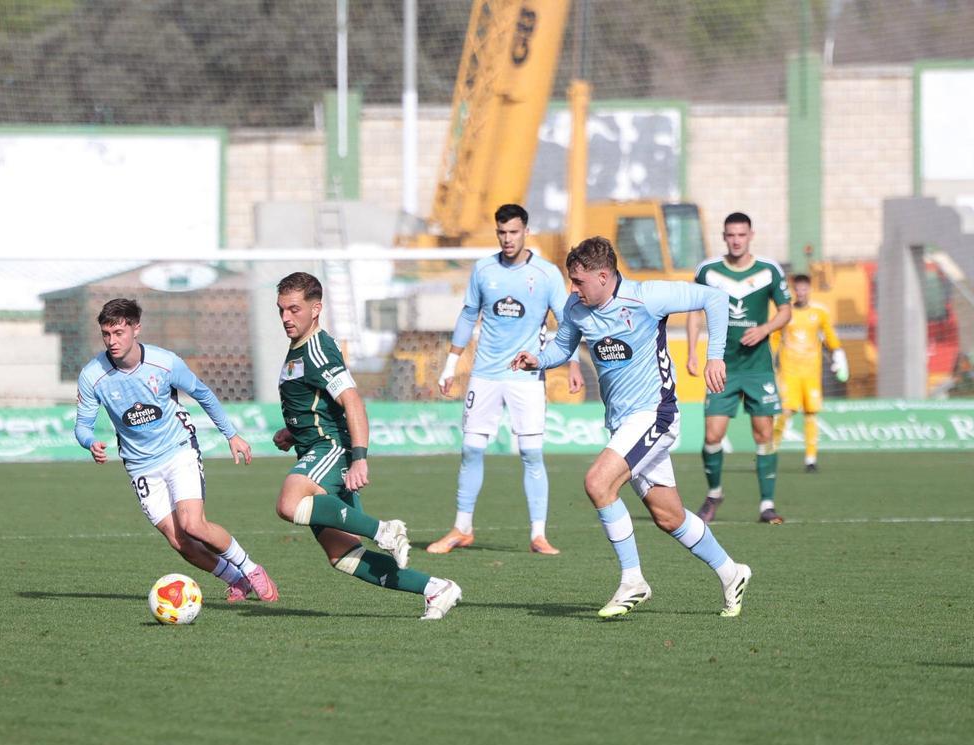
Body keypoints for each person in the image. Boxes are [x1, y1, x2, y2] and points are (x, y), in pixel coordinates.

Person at [511, 236, 751, 618]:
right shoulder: (577, 308)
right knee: (668, 516)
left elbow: (715, 299)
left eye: (579, 282)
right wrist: (537, 360)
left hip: (655, 413)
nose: (573, 290)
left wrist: (714, 357)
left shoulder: (647, 296)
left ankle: (633, 580)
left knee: (597, 483)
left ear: (604, 276)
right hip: (622, 422)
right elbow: (563, 347)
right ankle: (731, 572)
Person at [272, 272, 462, 620]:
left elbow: (353, 402)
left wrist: (359, 459)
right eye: (281, 309)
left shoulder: (318, 349)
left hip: (330, 450)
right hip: (312, 447)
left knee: (288, 503)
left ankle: (384, 530)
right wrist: (292, 430)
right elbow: (317, 402)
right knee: (344, 557)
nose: (286, 317)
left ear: (316, 309)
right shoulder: (299, 347)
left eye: (294, 309)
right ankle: (436, 588)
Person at [75, 298, 278, 603]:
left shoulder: (165, 363)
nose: (112, 341)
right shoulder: (93, 376)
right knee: (180, 542)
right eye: (106, 334)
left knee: (193, 524)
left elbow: (203, 394)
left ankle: (252, 569)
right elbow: (82, 426)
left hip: (178, 449)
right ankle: (235, 579)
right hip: (140, 465)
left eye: (119, 333)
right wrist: (91, 442)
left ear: (136, 329)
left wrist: (231, 435)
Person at [430, 203, 569, 556]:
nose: (507, 239)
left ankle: (539, 535)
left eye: (513, 232)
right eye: (502, 233)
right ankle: (462, 528)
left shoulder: (547, 274)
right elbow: (467, 315)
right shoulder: (483, 270)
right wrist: (450, 366)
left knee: (531, 453)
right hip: (485, 375)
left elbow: (567, 322)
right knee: (471, 449)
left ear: (526, 231)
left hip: (526, 376)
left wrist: (573, 366)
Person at [687, 212, 791, 524]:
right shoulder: (708, 270)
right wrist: (693, 351)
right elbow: (694, 310)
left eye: (741, 235)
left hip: (758, 368)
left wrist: (765, 329)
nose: (736, 240)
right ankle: (714, 493)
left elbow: (786, 311)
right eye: (730, 235)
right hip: (723, 368)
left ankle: (767, 505)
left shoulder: (768, 270)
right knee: (712, 433)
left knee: (764, 434)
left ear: (750, 235)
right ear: (723, 236)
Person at [771, 273, 849, 472]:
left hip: (811, 372)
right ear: (793, 291)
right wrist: (767, 361)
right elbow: (774, 338)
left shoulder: (820, 313)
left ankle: (811, 459)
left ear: (809, 290)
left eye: (804, 289)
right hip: (789, 371)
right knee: (785, 412)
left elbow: (829, 335)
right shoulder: (785, 312)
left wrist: (838, 353)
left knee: (811, 414)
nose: (801, 292)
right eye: (798, 289)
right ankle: (770, 454)